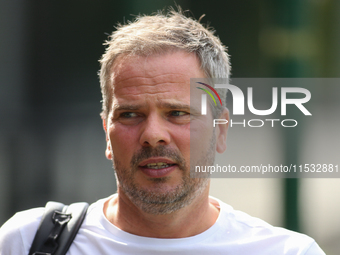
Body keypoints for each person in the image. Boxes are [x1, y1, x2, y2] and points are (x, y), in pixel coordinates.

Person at [0, 8, 325, 255]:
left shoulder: (286, 252)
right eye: (130, 114)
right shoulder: (28, 242)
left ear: (220, 130)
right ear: (106, 132)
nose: (153, 134)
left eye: (178, 114)